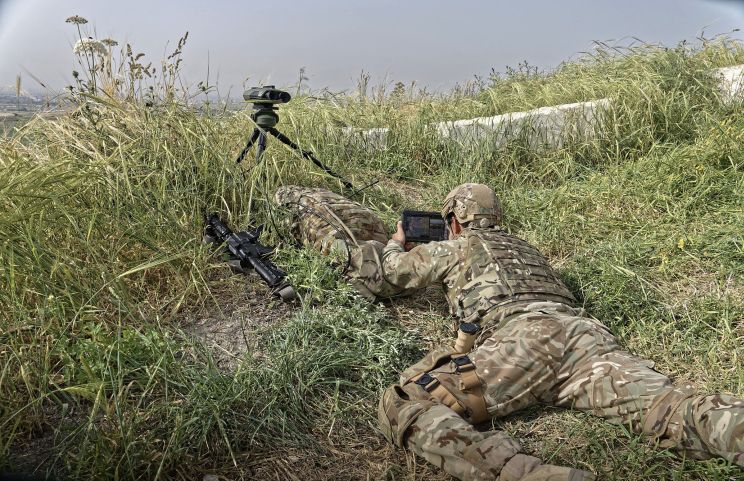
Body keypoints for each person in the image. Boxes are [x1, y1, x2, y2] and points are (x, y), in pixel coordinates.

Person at [277, 184, 744, 480]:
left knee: (403, 402)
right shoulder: (526, 248)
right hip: (583, 336)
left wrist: (399, 243)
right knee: (670, 407)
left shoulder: (457, 245)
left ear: (454, 221)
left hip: (523, 339)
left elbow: (384, 276)